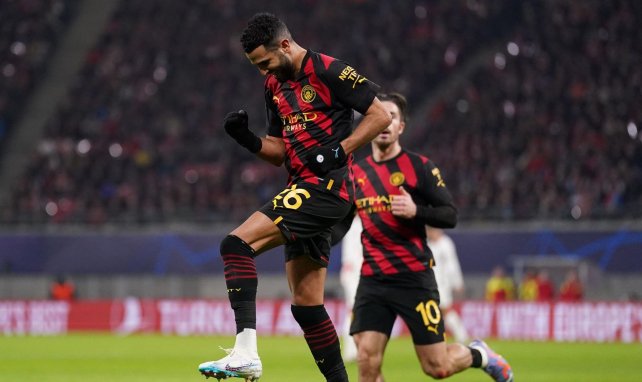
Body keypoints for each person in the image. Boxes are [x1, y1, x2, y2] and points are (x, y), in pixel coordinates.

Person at [197, 13, 391, 382]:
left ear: (285, 45)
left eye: (265, 62)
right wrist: (247, 138)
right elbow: (281, 151)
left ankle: (245, 353)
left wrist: (342, 149)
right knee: (307, 305)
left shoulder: (330, 70)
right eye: (256, 66)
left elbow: (379, 115)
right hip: (302, 187)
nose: (262, 71)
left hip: (326, 189)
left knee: (235, 245)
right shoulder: (274, 85)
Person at [333, 92, 513, 381]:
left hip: (413, 278)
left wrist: (416, 211)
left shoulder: (419, 168)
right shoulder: (356, 173)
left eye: (393, 118)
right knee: (366, 359)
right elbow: (342, 223)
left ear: (401, 127)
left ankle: (480, 354)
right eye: (379, 117)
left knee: (436, 367)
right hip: (373, 279)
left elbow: (449, 215)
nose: (386, 124)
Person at [426, 227, 469, 343]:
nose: (429, 233)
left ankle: (461, 335)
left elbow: (452, 264)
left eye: (431, 231)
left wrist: (457, 282)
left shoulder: (446, 244)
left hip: (443, 284)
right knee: (433, 311)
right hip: (429, 283)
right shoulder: (428, 244)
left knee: (445, 310)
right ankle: (434, 338)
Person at [339, 215, 363, 362]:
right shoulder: (354, 225)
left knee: (357, 312)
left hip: (360, 272)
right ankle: (350, 350)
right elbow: (350, 255)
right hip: (353, 273)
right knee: (353, 311)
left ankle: (356, 349)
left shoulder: (361, 223)